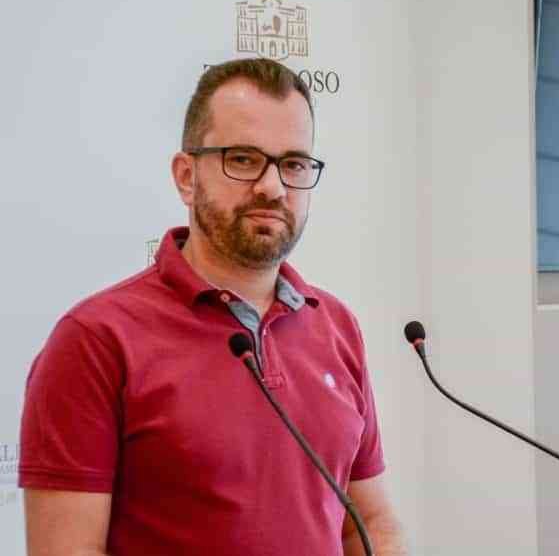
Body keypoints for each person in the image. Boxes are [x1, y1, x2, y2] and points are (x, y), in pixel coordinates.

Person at [18, 58, 406, 556]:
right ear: (186, 176)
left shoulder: (335, 325)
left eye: (293, 164)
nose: (273, 187)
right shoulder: (95, 339)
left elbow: (371, 523)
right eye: (243, 159)